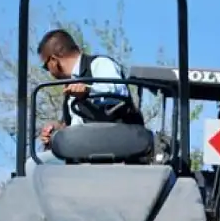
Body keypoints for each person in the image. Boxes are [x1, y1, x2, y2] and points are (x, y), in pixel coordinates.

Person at [28, 29, 138, 173]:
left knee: (33, 167)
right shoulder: (71, 86)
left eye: (45, 66)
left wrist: (88, 90)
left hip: (110, 146)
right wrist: (58, 130)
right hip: (80, 150)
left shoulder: (99, 64)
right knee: (35, 165)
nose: (48, 71)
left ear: (54, 60)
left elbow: (117, 91)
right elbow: (78, 123)